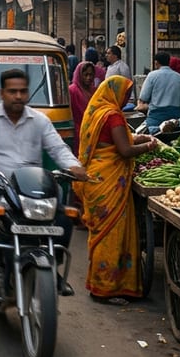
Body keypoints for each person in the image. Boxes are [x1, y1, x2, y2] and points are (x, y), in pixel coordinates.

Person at [0, 68, 87, 302]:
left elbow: (58, 149)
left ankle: (51, 268)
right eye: (12, 91)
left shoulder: (39, 120)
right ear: (2, 93)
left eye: (23, 91)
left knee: (65, 216)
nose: (18, 96)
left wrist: (74, 166)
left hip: (30, 185)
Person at [73, 75, 156, 301]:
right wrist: (149, 145)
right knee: (111, 234)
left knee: (103, 234)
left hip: (96, 178)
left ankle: (103, 284)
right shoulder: (112, 116)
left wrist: (139, 138)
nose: (127, 98)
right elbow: (125, 150)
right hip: (109, 180)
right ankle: (105, 289)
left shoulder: (96, 112)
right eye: (126, 93)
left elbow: (113, 142)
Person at [136, 51, 180, 134]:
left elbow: (144, 96)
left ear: (156, 62)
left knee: (140, 134)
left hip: (155, 117)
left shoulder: (152, 75)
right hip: (175, 118)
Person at [68, 61, 98, 155]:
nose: (89, 78)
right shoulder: (72, 90)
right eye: (85, 75)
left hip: (93, 131)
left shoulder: (94, 91)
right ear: (79, 75)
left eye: (91, 75)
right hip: (78, 132)